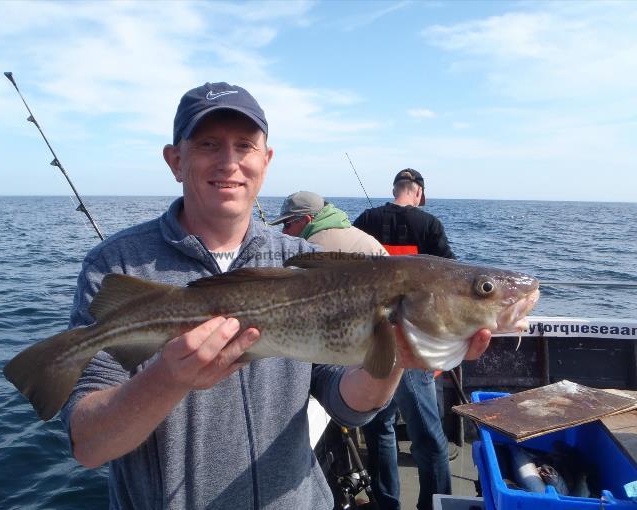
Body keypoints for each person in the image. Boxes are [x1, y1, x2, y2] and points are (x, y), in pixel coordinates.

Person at [58, 84, 491, 510]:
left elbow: (345, 404)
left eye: (245, 146)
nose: (229, 162)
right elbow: (89, 446)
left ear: (266, 161)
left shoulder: (306, 262)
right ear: (175, 160)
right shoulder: (115, 265)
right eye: (208, 143)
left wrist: (392, 359)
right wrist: (166, 379)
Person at [353, 169, 455, 510]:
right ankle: (436, 503)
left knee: (379, 429)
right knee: (427, 433)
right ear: (420, 193)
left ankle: (386, 505)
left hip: (373, 339)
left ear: (395, 189)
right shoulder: (430, 226)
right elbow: (452, 283)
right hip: (414, 344)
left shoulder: (367, 218)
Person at [269, 190, 386, 255]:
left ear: (306, 220)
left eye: (286, 224)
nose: (284, 231)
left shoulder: (311, 249)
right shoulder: (354, 232)